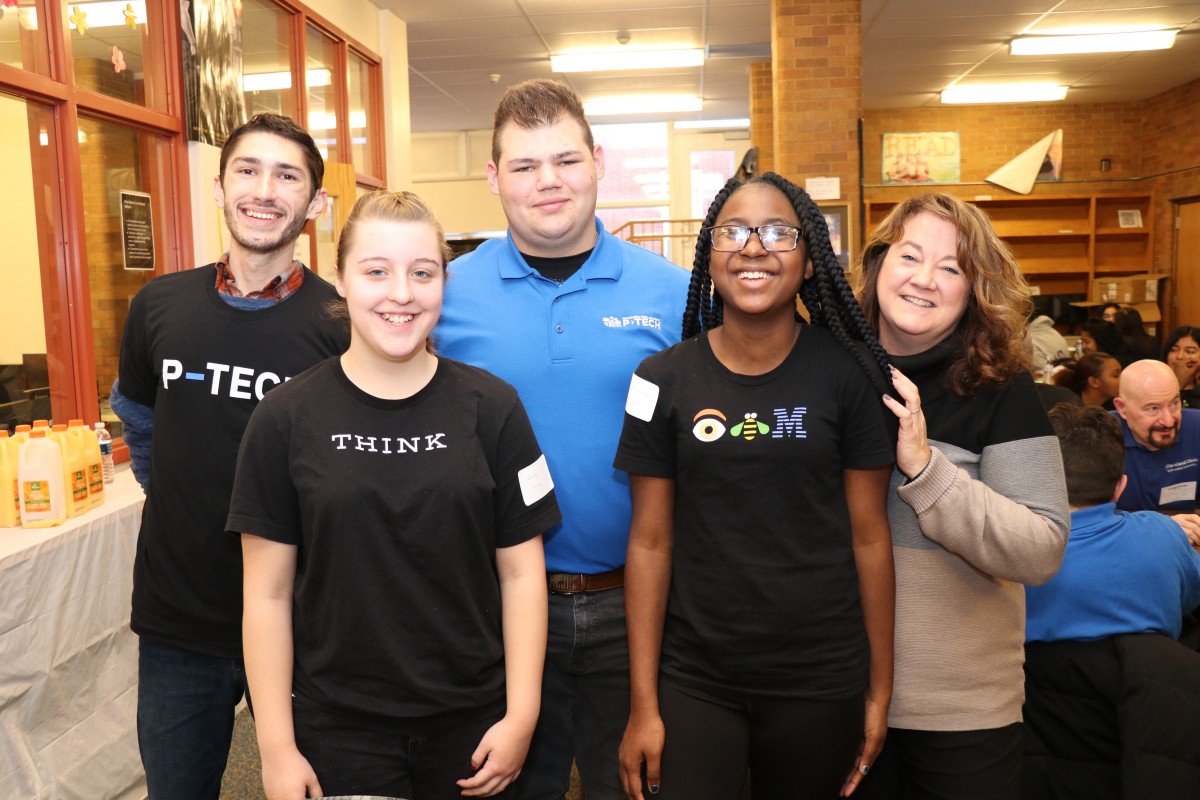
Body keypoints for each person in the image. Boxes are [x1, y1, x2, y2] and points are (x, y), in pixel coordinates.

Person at [228, 191, 559, 799]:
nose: (401, 294)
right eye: (376, 271)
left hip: (475, 725)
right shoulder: (284, 417)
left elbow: (520, 574)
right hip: (338, 729)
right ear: (341, 278)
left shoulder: (494, 408)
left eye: (422, 273)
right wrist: (275, 749)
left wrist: (522, 714)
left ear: (443, 282)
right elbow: (267, 595)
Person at [434, 79, 690, 800]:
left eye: (566, 160)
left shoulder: (673, 293)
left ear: (598, 161)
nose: (548, 182)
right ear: (492, 177)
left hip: (635, 607)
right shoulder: (443, 295)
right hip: (493, 608)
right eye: (523, 165)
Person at [615, 173, 895, 800]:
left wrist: (879, 689)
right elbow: (650, 542)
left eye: (778, 232)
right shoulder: (660, 379)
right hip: (694, 678)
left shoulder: (848, 376)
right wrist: (641, 704)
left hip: (820, 678)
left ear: (809, 257)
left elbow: (870, 538)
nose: (753, 247)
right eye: (734, 231)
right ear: (708, 253)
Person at [111, 113, 348, 799]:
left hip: (310, 621)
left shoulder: (340, 324)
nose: (264, 190)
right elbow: (145, 434)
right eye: (248, 170)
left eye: (287, 176)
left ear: (315, 203)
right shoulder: (158, 306)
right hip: (181, 617)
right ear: (219, 187)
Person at [851, 192, 1069, 800]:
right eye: (910, 256)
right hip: (838, 694)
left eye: (951, 269)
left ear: (975, 290)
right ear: (877, 265)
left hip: (960, 713)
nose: (924, 280)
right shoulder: (827, 371)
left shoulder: (1001, 388)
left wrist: (926, 470)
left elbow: (1041, 549)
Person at [1026, 403, 1200, 644]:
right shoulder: (1166, 534)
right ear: (1121, 486)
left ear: (1038, 483)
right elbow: (1189, 598)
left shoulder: (1013, 557)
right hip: (1150, 677)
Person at [1112, 359, 1200, 547]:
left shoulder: (1196, 427)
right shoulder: (1097, 436)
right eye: (1153, 408)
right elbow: (1082, 518)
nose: (1168, 421)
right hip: (1123, 546)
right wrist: (1161, 526)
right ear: (1122, 408)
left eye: (1174, 404)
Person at [1163, 325, 1200, 408]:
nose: (1180, 356)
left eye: (1190, 351)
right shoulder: (1154, 385)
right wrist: (1179, 384)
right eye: (1174, 350)